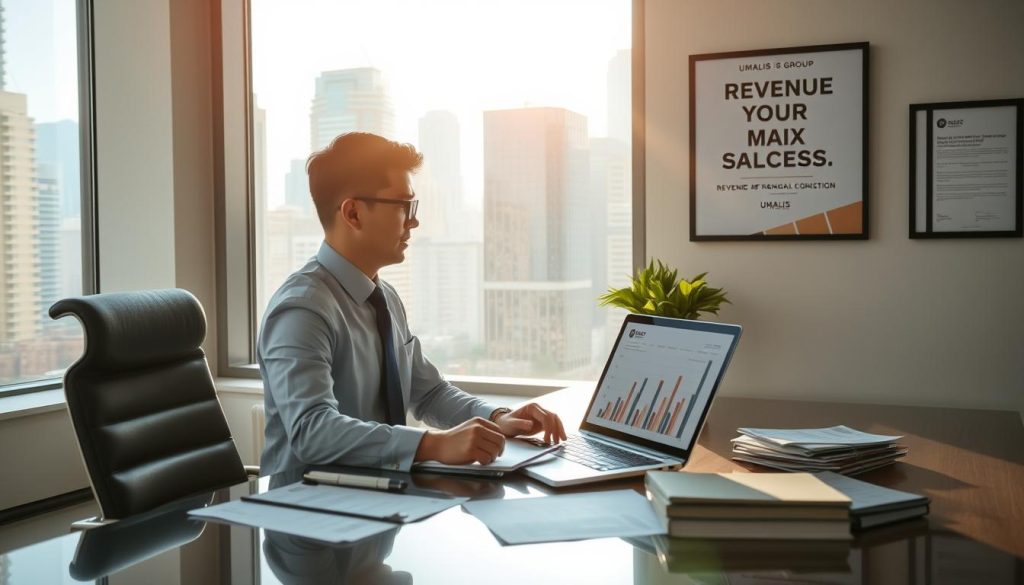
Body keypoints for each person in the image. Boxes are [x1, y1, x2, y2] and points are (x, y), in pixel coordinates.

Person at [258, 132, 566, 475]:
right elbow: (312, 431)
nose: (413, 221)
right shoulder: (302, 310)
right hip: (309, 512)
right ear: (354, 213)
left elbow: (429, 393)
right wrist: (433, 444)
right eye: (403, 206)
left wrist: (499, 418)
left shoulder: (384, 297)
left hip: (381, 498)